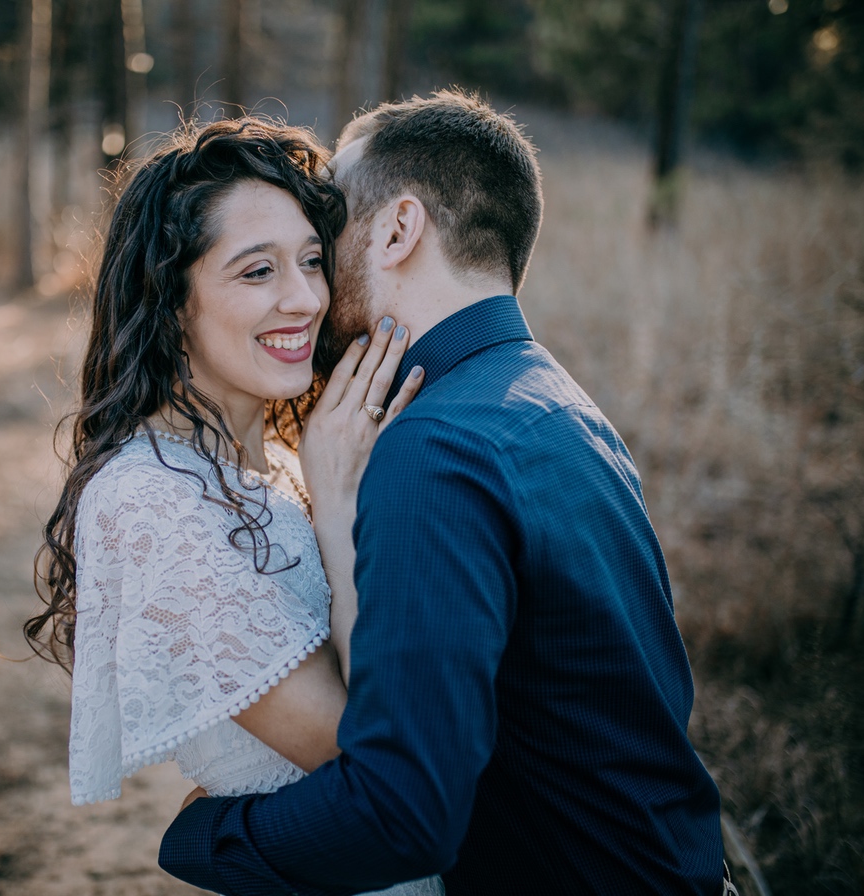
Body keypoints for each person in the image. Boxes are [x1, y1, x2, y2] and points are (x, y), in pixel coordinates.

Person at [159, 90, 733, 895]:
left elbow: (404, 814)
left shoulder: (434, 452)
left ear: (398, 229)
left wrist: (201, 840)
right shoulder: (555, 402)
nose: (315, 269)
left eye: (330, 222)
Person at [25, 118, 438, 895]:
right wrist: (342, 504)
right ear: (172, 299)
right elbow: (365, 753)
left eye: (312, 261)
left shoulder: (282, 461)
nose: (305, 298)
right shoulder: (149, 499)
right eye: (257, 273)